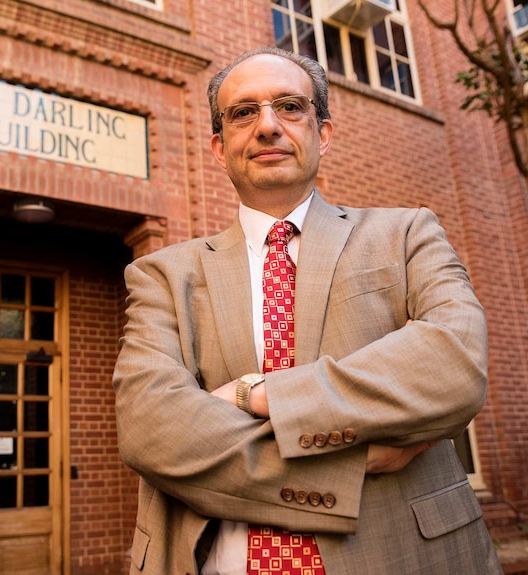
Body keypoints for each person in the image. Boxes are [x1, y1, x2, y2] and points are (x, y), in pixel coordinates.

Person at [113, 46, 502, 574]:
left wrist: (258, 395)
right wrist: (350, 463)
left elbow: (453, 366)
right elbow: (152, 430)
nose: (267, 126)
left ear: (323, 133)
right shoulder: (162, 275)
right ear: (218, 148)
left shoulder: (407, 234)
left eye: (289, 107)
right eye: (243, 113)